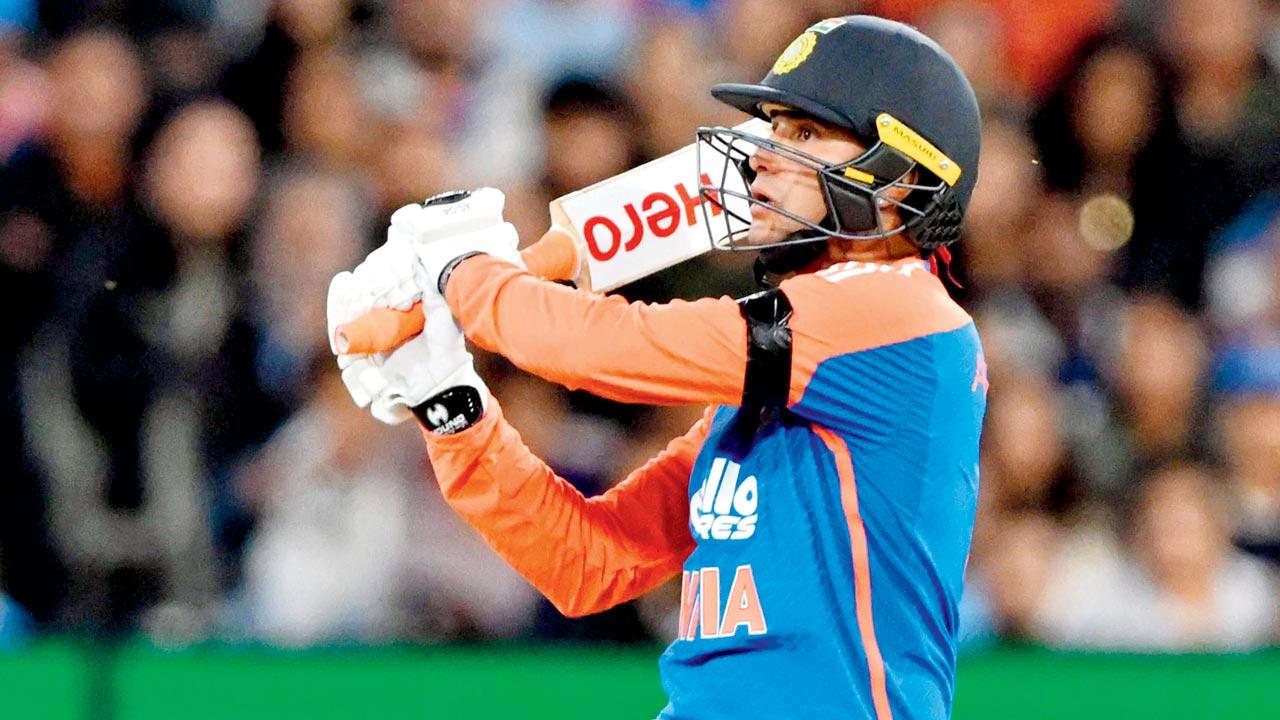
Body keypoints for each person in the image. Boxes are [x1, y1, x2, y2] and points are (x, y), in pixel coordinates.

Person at [328, 15, 985, 719]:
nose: (761, 156)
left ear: (899, 180)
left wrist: (461, 270)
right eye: (772, 129)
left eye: (803, 134)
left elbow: (600, 348)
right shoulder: (778, 386)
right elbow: (588, 562)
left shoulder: (901, 315)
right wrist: (448, 403)